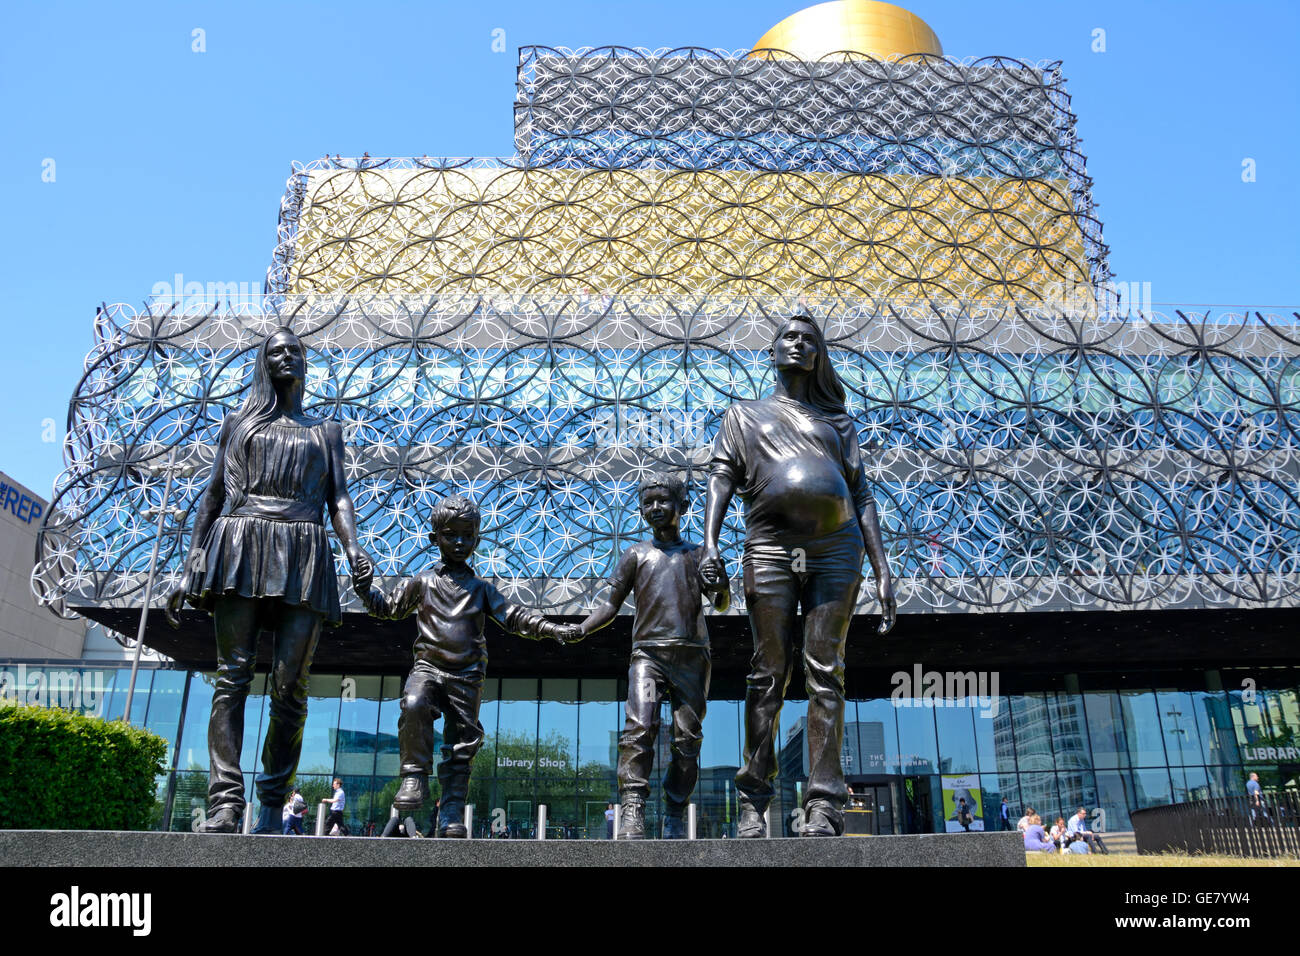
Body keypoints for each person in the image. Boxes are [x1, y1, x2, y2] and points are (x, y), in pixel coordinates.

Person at [164, 327, 374, 834]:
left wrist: (352, 547)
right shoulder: (239, 423)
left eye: (294, 351)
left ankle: (272, 804)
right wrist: (191, 557)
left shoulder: (326, 430)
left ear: (305, 362)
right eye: (276, 351)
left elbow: (338, 497)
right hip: (240, 541)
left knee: (290, 687)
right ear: (264, 362)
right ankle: (225, 803)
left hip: (304, 546)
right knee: (232, 675)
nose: (286, 357)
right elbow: (213, 494)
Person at [700, 315, 896, 838]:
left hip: (838, 549)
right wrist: (711, 545)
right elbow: (721, 477)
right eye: (790, 337)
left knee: (826, 671)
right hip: (769, 548)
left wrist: (882, 569)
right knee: (768, 671)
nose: (800, 344)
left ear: (818, 357)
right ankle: (752, 799)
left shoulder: (839, 423)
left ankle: (825, 804)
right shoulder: (743, 416)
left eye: (810, 340)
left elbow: (864, 495)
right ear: (772, 352)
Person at [357, 492, 577, 837]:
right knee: (413, 703)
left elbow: (515, 617)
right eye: (450, 535)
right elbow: (388, 608)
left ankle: (451, 813)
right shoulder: (423, 582)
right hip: (428, 668)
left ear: (477, 538)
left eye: (467, 536)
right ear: (434, 538)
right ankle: (414, 777)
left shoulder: (481, 588)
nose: (459, 542)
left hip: (467, 675)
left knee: (461, 746)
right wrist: (364, 588)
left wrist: (552, 629)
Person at [575, 474, 730, 840]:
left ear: (683, 507)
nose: (655, 508)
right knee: (639, 729)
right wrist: (580, 629)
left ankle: (675, 810)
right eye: (648, 502)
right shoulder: (635, 555)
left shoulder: (697, 554)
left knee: (687, 740)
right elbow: (610, 606)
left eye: (663, 501)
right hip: (648, 656)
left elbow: (721, 604)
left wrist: (721, 582)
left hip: (692, 656)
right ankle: (632, 807)